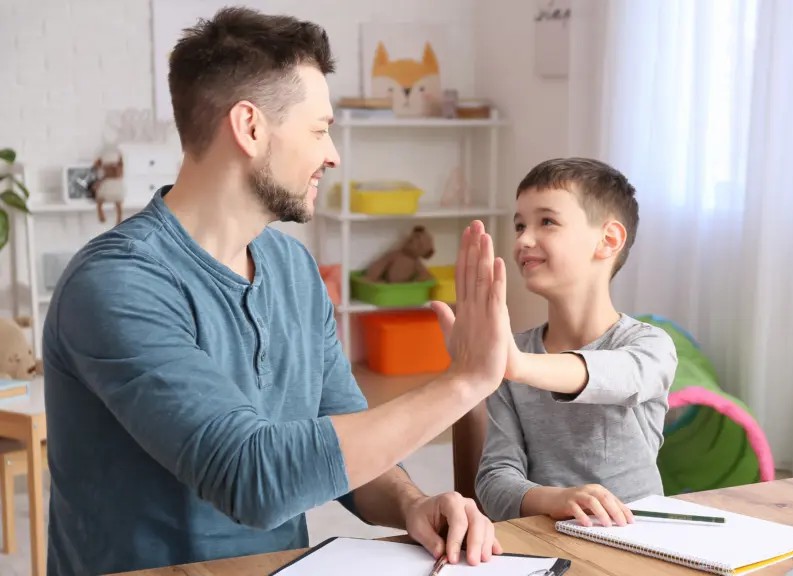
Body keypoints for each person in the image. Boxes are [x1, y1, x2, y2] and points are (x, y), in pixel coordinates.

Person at [42, 8, 510, 575]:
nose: (332, 153)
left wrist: (414, 503)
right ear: (250, 127)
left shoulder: (292, 267)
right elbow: (253, 478)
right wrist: (464, 382)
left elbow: (344, 444)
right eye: (319, 130)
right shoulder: (116, 284)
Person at [472, 158, 678, 526]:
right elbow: (494, 482)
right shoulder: (512, 359)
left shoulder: (650, 346)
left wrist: (518, 365)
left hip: (640, 544)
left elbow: (621, 378)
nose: (523, 239)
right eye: (519, 225)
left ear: (608, 240)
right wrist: (558, 500)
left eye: (546, 222)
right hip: (542, 540)